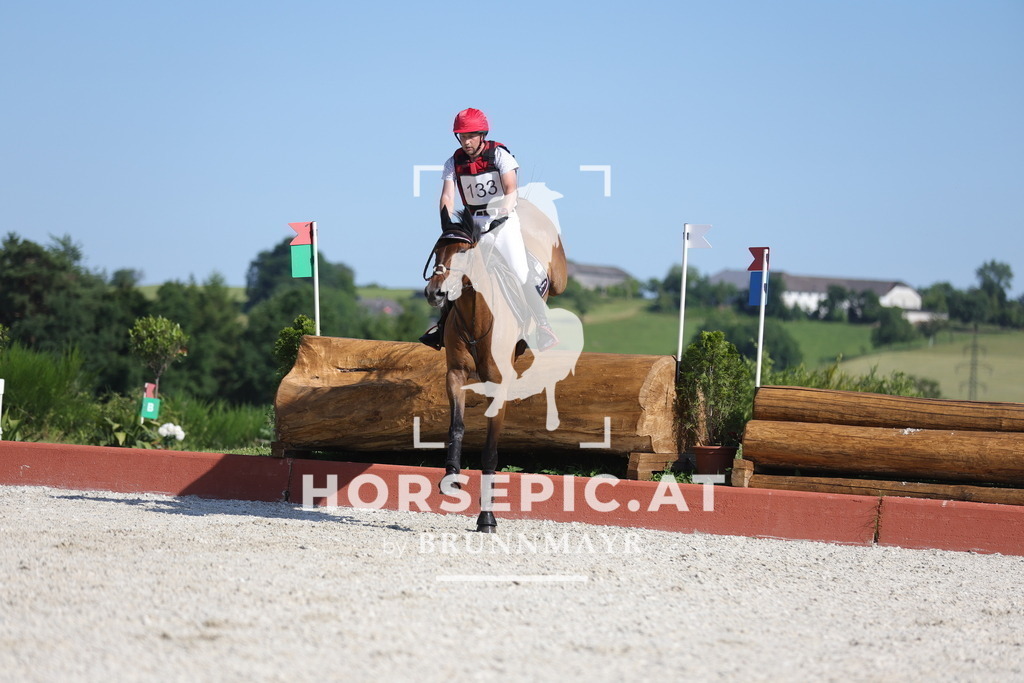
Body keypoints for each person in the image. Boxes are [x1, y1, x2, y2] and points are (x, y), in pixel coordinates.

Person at [420, 108, 558, 351]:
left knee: (519, 269)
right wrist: (446, 220)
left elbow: (510, 189)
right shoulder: (453, 162)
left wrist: (501, 215)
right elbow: (447, 195)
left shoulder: (500, 155)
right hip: (472, 225)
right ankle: (443, 327)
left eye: (471, 136)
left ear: (482, 135)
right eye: (462, 137)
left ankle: (543, 326)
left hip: (503, 222)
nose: (467, 141)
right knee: (450, 270)